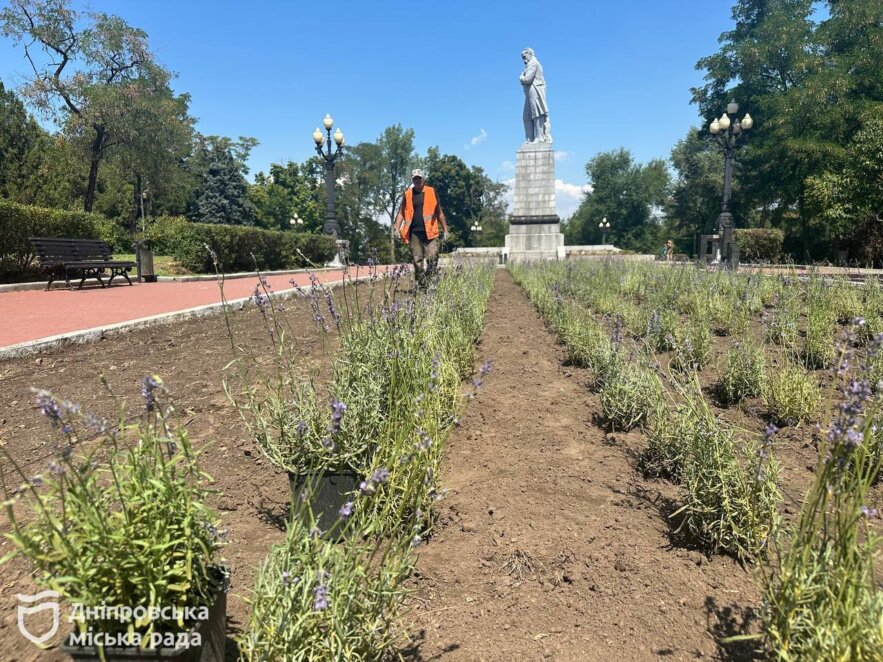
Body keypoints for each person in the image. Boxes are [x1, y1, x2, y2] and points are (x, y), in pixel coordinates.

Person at [394, 169, 449, 288]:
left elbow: (439, 212)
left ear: (423, 179)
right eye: (415, 178)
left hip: (431, 231)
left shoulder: (431, 191)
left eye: (419, 178)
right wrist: (396, 228)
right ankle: (421, 283)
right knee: (417, 260)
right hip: (414, 232)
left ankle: (432, 279)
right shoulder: (407, 194)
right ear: (412, 180)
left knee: (433, 256)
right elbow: (400, 213)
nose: (417, 180)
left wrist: (445, 229)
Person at [519, 48, 552, 143]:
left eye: (524, 56)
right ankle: (529, 138)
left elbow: (527, 79)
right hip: (530, 91)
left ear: (529, 54)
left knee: (536, 113)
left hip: (535, 89)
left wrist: (521, 78)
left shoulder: (533, 63)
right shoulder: (529, 64)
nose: (523, 59)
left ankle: (539, 137)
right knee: (527, 116)